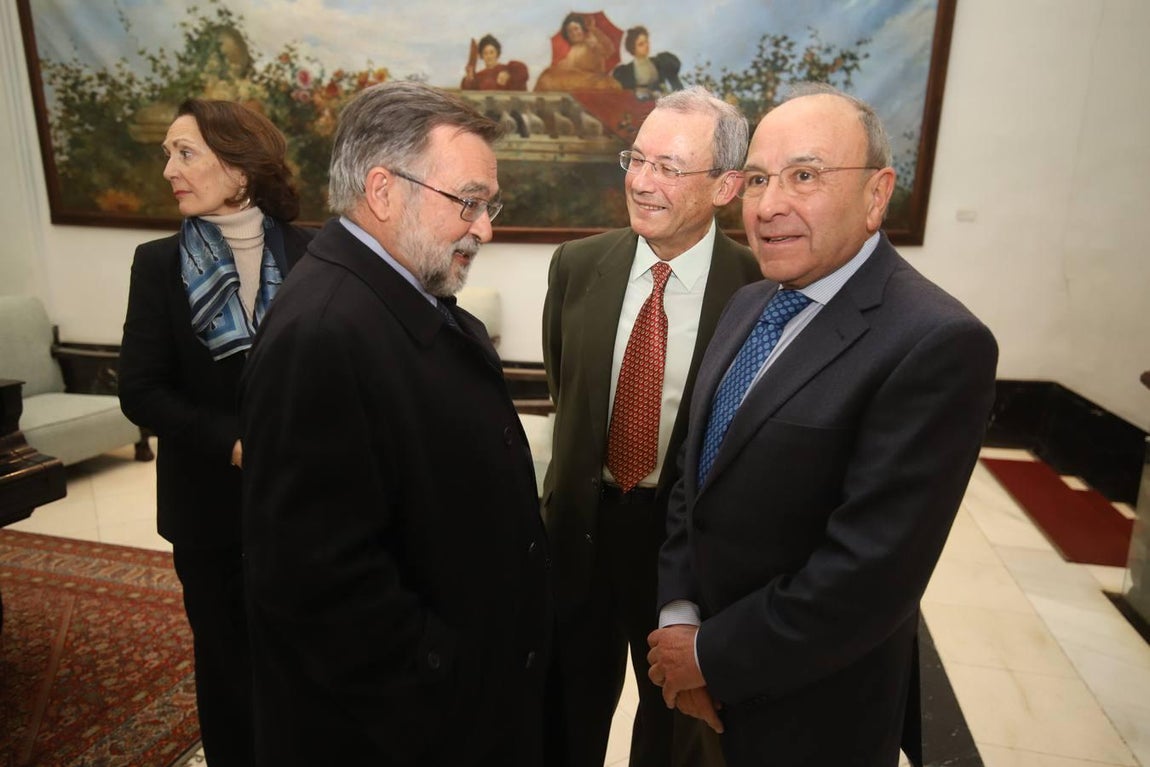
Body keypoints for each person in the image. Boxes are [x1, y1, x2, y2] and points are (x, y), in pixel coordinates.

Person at [646, 82, 999, 766]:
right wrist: (679, 615)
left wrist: (708, 656)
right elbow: (697, 474)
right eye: (755, 179)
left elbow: (867, 575)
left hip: (810, 715)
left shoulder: (935, 341)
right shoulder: (749, 302)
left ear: (877, 194)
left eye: (804, 176)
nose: (769, 205)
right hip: (695, 689)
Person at [238, 81, 552, 766]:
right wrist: (450, 685)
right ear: (383, 191)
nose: (485, 227)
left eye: (489, 204)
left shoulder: (402, 291)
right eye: (468, 201)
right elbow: (318, 585)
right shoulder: (323, 333)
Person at [542, 85, 760, 767]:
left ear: (725, 185)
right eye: (635, 160)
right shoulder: (576, 267)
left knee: (674, 736)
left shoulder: (758, 293)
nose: (640, 182)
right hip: (579, 534)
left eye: (668, 167)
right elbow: (563, 390)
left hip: (684, 549)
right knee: (559, 720)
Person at [118, 98, 313, 767]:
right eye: (166, 153)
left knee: (310, 666)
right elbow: (140, 388)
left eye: (185, 152)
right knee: (230, 676)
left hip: (307, 503)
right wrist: (231, 440)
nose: (169, 168)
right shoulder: (156, 264)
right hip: (208, 510)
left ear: (240, 167)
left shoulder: (315, 253)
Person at [535, 12, 622, 92]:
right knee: (546, 75)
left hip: (591, 80)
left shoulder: (593, 38)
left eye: (576, 29)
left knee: (547, 79)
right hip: (575, 78)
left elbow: (609, 50)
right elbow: (568, 65)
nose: (573, 33)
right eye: (570, 31)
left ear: (583, 29)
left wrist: (596, 44)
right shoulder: (574, 48)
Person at [612, 26, 683, 100]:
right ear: (632, 48)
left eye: (646, 41)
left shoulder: (660, 61)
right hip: (640, 106)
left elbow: (675, 84)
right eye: (641, 44)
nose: (646, 46)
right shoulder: (625, 71)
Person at [462, 33, 530, 91]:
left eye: (491, 52)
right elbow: (469, 92)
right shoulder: (479, 76)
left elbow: (523, 73)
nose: (489, 56)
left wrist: (509, 77)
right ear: (482, 56)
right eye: (485, 53)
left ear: (497, 53)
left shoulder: (507, 69)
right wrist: (469, 78)